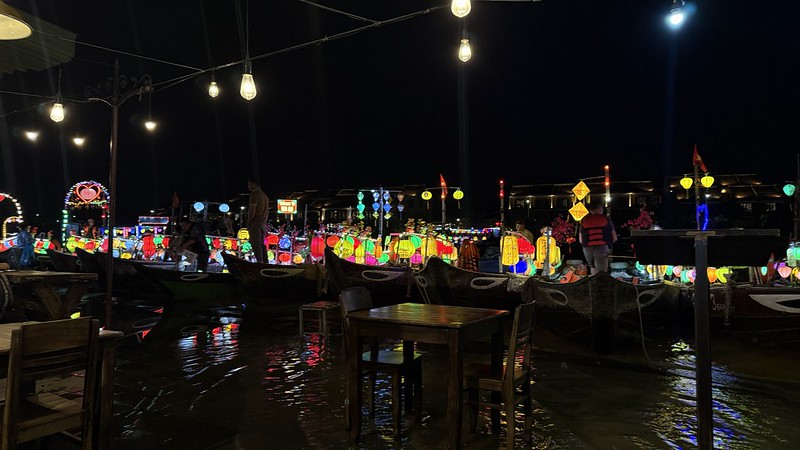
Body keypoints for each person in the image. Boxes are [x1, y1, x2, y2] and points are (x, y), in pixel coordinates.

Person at [579, 202, 617, 274]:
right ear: (600, 209)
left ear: (591, 211)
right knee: (602, 270)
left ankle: (593, 282)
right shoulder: (605, 219)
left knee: (593, 267)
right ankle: (600, 284)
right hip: (602, 247)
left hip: (587, 248)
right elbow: (614, 236)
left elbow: (581, 239)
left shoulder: (584, 220)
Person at [247, 178, 270, 263]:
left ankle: (259, 261)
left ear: (254, 184)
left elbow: (252, 210)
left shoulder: (255, 194)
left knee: (255, 242)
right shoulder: (265, 195)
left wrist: (249, 222)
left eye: (249, 184)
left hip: (256, 221)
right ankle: (265, 261)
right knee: (261, 243)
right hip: (263, 221)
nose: (248, 186)